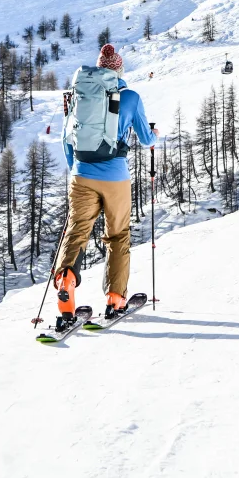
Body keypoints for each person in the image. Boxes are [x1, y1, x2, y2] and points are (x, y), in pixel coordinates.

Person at [54, 44, 157, 320]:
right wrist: (154, 134)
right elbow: (147, 139)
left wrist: (78, 171)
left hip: (81, 173)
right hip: (115, 177)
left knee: (76, 232)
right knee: (117, 235)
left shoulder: (80, 95)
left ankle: (66, 285)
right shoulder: (131, 97)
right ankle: (115, 298)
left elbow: (67, 139)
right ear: (120, 71)